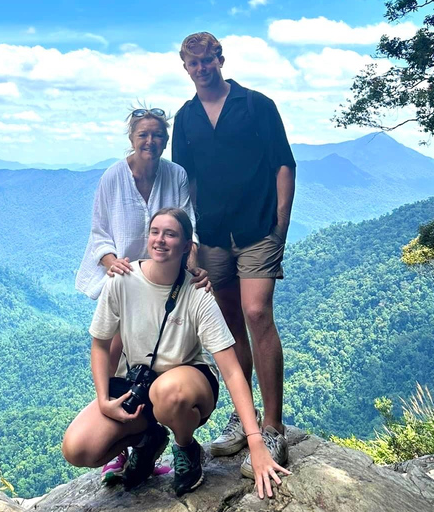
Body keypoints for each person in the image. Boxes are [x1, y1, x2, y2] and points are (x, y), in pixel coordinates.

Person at [63, 208, 290, 499]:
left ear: (186, 246)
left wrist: (256, 443)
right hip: (140, 386)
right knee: (78, 448)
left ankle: (186, 447)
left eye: (170, 234)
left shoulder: (197, 292)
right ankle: (148, 440)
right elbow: (100, 344)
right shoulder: (122, 279)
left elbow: (232, 371)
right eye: (155, 232)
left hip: (188, 386)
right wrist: (104, 400)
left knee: (167, 391)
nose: (160, 240)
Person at [171, 32, 296, 477]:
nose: (201, 68)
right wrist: (191, 243)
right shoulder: (185, 119)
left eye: (207, 60)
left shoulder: (256, 105)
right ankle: (244, 423)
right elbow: (185, 183)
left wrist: (280, 225)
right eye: (193, 63)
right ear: (184, 67)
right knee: (228, 326)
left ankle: (274, 426)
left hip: (258, 227)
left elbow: (284, 162)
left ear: (220, 60)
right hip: (212, 235)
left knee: (257, 313)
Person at [75, 107, 209, 483]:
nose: (151, 142)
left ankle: (164, 435)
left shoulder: (175, 175)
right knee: (116, 363)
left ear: (165, 140)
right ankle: (128, 445)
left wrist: (192, 266)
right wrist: (112, 259)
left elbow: (188, 226)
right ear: (131, 138)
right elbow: (99, 232)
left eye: (157, 136)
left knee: (165, 359)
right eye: (143, 135)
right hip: (124, 282)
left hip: (167, 281)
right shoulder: (113, 178)